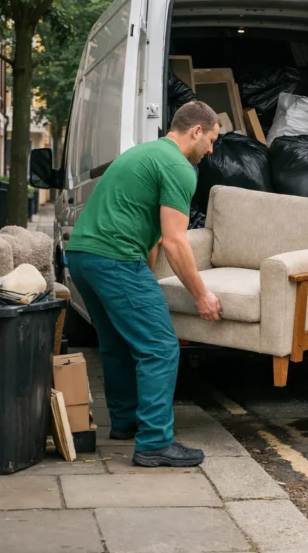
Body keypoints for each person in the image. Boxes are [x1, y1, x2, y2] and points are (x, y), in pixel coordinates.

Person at [65, 101, 223, 468]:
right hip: (114, 259)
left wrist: (146, 282)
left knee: (117, 342)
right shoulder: (179, 168)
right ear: (196, 131)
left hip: (83, 256)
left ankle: (125, 423)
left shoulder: (143, 154)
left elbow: (150, 236)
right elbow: (175, 240)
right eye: (212, 140)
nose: (212, 150)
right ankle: (153, 442)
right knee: (160, 347)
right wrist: (201, 295)